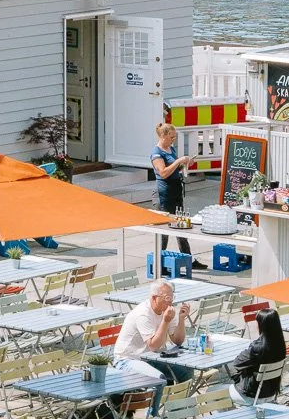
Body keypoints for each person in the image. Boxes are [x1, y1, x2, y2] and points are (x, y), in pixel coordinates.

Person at [115, 279, 194, 406]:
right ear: (154, 298)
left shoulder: (168, 310)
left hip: (152, 358)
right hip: (128, 359)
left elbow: (177, 340)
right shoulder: (143, 314)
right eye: (167, 297)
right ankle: (154, 414)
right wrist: (166, 321)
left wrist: (181, 319)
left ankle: (178, 410)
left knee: (187, 371)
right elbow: (153, 345)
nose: (170, 301)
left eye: (172, 296)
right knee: (159, 379)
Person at [151, 121, 192, 256]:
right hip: (164, 193)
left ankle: (188, 257)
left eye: (174, 137)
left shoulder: (171, 149)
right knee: (164, 229)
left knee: (181, 224)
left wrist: (184, 164)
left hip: (175, 190)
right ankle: (159, 260)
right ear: (163, 136)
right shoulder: (156, 153)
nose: (173, 140)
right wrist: (178, 161)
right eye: (171, 137)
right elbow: (163, 172)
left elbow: (174, 168)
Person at [229, 307, 287, 402]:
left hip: (252, 395)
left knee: (213, 391)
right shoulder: (280, 345)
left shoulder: (257, 348)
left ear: (262, 325)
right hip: (271, 393)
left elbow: (236, 363)